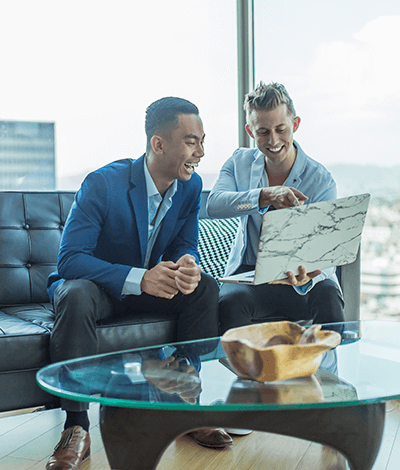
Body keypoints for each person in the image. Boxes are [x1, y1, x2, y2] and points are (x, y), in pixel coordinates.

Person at [45, 97, 227, 470]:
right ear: (158, 143)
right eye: (192, 141)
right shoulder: (102, 183)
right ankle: (76, 426)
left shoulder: (191, 188)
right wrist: (139, 278)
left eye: (202, 141)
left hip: (148, 288)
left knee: (204, 287)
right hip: (99, 288)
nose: (201, 152)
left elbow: (183, 243)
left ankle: (184, 400)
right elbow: (70, 260)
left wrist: (186, 264)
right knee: (75, 294)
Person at [207, 82, 345, 334]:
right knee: (230, 302)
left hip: (302, 279)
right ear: (250, 131)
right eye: (263, 132)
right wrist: (264, 196)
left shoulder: (320, 179)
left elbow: (328, 252)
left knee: (328, 295)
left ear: (295, 124)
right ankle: (244, 374)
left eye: (281, 129)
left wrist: (310, 272)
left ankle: (327, 373)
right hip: (250, 276)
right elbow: (214, 204)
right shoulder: (238, 163)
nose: (273, 140)